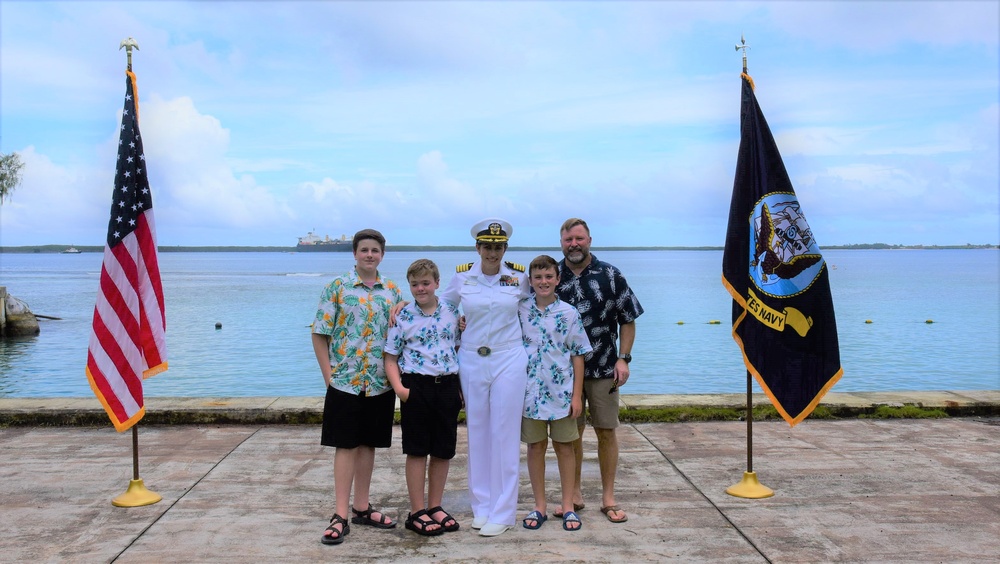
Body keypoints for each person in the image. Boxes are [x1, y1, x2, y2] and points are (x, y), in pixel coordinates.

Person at [312, 229, 403, 545]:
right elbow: (320, 333)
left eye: (375, 250)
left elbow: (403, 334)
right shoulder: (336, 288)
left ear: (382, 254)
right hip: (345, 382)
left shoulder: (392, 291)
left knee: (368, 445)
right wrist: (329, 377)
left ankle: (362, 506)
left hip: (379, 384)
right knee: (345, 445)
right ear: (354, 254)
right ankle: (340, 514)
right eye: (364, 250)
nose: (369, 255)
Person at [440, 218, 530, 537]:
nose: (493, 252)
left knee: (504, 434)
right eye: (487, 247)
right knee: (476, 433)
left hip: (509, 357)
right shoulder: (463, 276)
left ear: (505, 248)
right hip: (472, 358)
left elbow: (535, 309)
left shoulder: (519, 276)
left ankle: (504, 512)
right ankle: (482, 507)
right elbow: (444, 308)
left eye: (499, 247)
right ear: (477, 248)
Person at [556, 218, 644, 524]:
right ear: (561, 243)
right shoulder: (552, 276)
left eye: (579, 238)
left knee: (606, 431)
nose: (574, 244)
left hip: (606, 366)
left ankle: (608, 497)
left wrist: (625, 359)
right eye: (568, 240)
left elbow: (628, 318)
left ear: (589, 240)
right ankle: (574, 494)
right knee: (571, 434)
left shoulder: (610, 274)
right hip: (564, 372)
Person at [384, 259, 463, 537]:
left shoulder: (452, 312)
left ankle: (435, 506)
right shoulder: (402, 316)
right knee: (417, 450)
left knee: (443, 450)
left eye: (426, 283)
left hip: (447, 386)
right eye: (415, 284)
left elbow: (458, 347)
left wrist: (460, 389)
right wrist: (401, 390)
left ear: (437, 284)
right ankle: (417, 511)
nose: (420, 288)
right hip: (416, 387)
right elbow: (390, 357)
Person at [518, 255, 592, 532]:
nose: (543, 282)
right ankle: (539, 506)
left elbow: (578, 355)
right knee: (535, 447)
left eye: (549, 276)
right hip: (529, 393)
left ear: (558, 279)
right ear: (531, 281)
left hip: (561, 393)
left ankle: (569, 506)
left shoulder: (569, 313)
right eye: (538, 277)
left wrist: (576, 396)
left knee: (564, 448)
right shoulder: (521, 310)